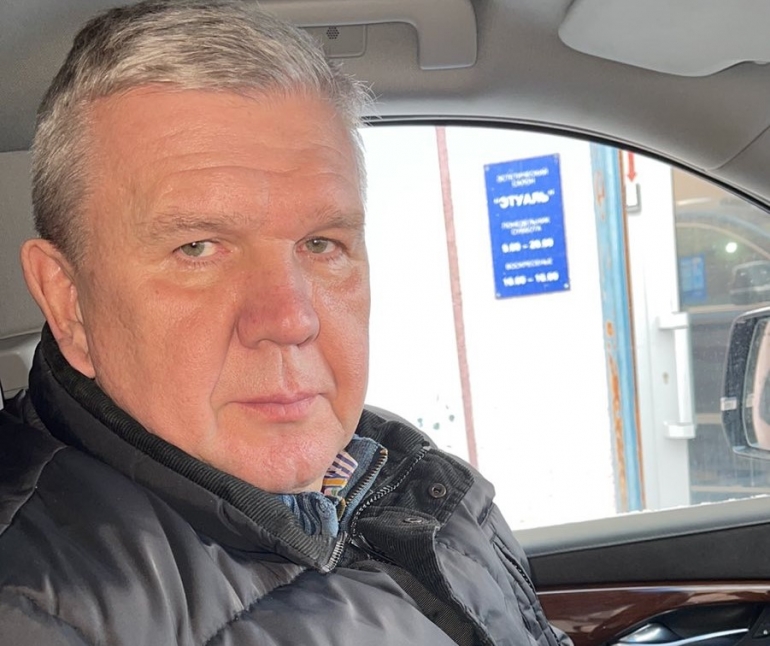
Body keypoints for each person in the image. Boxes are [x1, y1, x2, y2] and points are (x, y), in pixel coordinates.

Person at [0, 1, 572, 645]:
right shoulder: (32, 613)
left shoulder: (397, 468)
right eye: (197, 248)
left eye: (321, 244)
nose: (291, 319)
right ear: (70, 302)